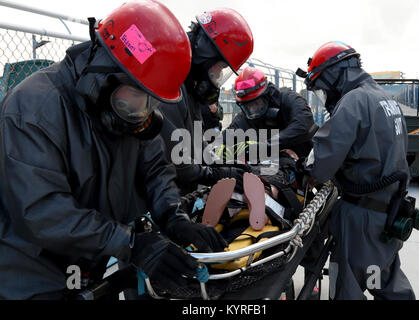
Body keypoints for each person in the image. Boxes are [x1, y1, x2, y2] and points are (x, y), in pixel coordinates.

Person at [0, 1, 226, 300]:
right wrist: (132, 244)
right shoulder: (33, 109)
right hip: (31, 273)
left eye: (152, 103)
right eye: (138, 97)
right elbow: (42, 211)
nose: (144, 111)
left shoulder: (126, 111)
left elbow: (156, 168)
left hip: (90, 260)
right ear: (106, 72)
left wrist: (174, 217)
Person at [302, 41, 415, 300]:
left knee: (348, 287)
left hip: (360, 218)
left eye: (322, 87)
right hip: (389, 212)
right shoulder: (384, 98)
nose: (325, 95)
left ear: (333, 75)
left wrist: (304, 167)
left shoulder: (353, 101)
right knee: (386, 279)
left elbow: (320, 166)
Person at [157, 8, 254, 195]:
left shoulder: (186, 85)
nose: (218, 76)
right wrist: (214, 174)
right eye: (221, 67)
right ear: (206, 52)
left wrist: (222, 164)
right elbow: (177, 159)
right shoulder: (169, 82)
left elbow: (195, 145)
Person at [225, 66, 316, 160]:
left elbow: (304, 125)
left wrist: (267, 145)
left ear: (266, 95)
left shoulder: (290, 99)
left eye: (256, 103)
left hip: (306, 163)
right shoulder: (244, 118)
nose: (253, 109)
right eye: (248, 106)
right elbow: (224, 140)